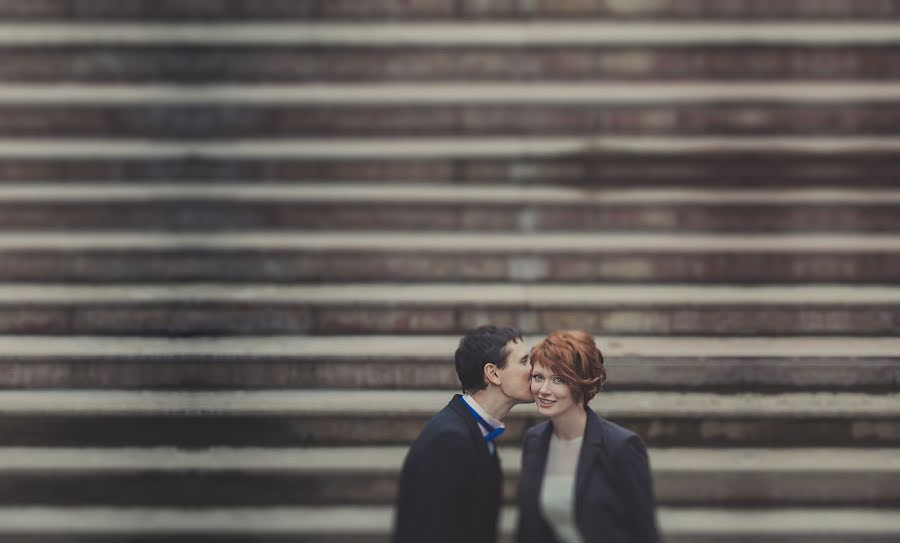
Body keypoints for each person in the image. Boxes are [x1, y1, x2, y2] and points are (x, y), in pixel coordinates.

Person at [392, 325, 535, 543]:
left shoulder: (473, 429)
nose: (534, 369)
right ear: (493, 373)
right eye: (525, 361)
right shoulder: (449, 442)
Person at [517, 330, 660, 543]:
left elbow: (645, 533)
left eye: (558, 379)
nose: (544, 390)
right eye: (538, 377)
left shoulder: (621, 446)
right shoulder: (534, 440)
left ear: (580, 383)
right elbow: (528, 528)